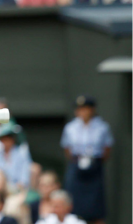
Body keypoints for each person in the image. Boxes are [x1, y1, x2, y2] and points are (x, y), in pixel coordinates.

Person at [61, 96, 113, 224]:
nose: (82, 112)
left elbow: (106, 149)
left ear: (92, 110)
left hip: (94, 167)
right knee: (74, 203)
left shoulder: (102, 127)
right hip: (76, 165)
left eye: (85, 109)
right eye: (79, 109)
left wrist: (94, 162)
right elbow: (67, 148)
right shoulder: (70, 127)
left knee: (96, 207)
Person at [0, 123, 32, 191]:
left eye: (8, 138)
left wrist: (19, 187)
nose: (6, 141)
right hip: (0, 190)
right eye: (3, 139)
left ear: (13, 139)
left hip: (17, 189)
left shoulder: (21, 154)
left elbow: (24, 178)